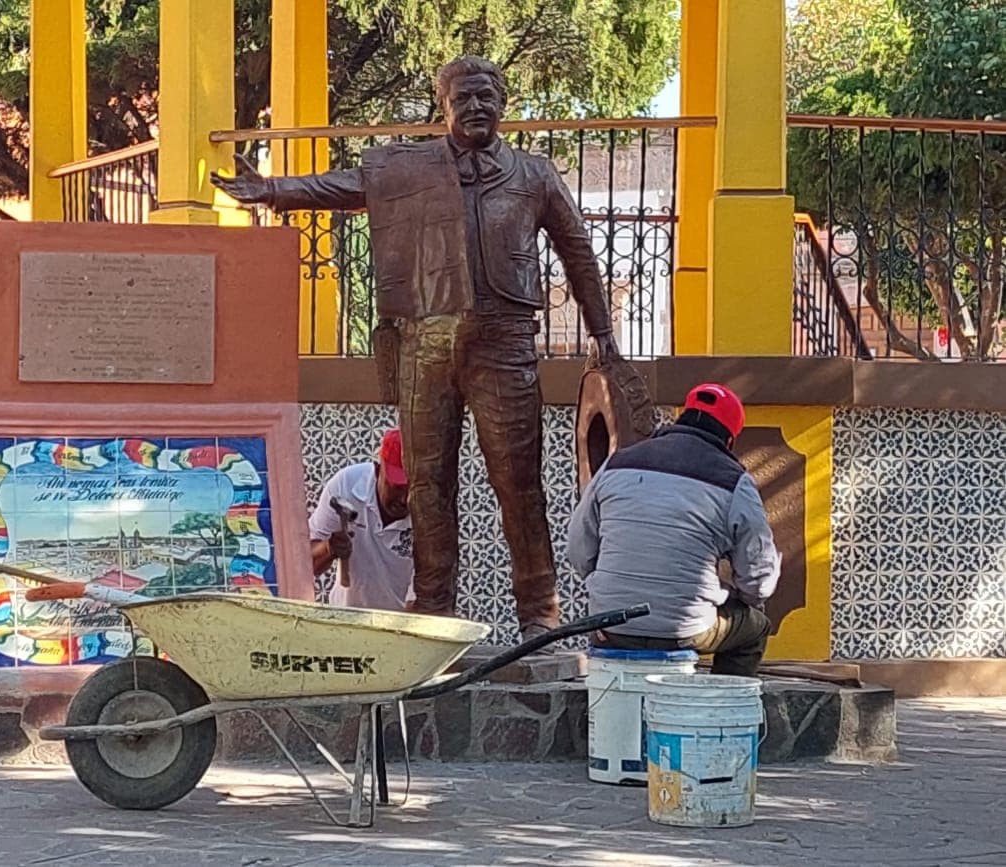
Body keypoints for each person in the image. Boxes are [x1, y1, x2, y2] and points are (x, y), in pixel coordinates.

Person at [213, 56, 618, 641]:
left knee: (519, 483)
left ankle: (538, 614)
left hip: (506, 342)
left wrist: (602, 333)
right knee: (428, 484)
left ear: (502, 103)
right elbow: (347, 186)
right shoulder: (411, 170)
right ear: (444, 106)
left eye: (486, 97)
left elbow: (578, 252)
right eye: (464, 98)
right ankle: (432, 609)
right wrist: (275, 190)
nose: (476, 107)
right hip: (425, 343)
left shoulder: (535, 175)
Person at [567, 383, 781, 677]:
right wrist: (740, 598)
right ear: (729, 440)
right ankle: (719, 711)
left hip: (609, 623)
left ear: (681, 418)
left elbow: (577, 550)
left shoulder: (615, 464)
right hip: (685, 628)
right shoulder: (734, 482)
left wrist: (610, 592)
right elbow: (760, 581)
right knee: (755, 627)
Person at [308, 429, 413, 610]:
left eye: (412, 488)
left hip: (399, 622)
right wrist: (329, 548)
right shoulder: (346, 485)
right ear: (378, 469)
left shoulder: (429, 509)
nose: (404, 499)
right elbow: (305, 565)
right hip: (344, 618)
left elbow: (424, 600)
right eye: (397, 487)